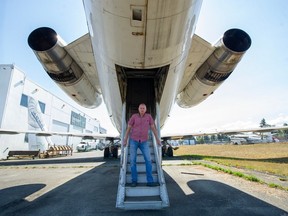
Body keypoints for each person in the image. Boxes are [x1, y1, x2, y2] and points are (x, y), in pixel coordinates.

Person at [123, 103, 162, 187]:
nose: (142, 109)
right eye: (141, 108)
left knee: (148, 161)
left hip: (144, 142)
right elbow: (128, 128)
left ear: (146, 109)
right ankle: (134, 180)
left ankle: (150, 181)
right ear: (138, 109)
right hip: (134, 141)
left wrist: (158, 139)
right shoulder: (134, 117)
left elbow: (153, 128)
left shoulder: (149, 117)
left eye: (143, 108)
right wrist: (125, 139)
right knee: (133, 161)